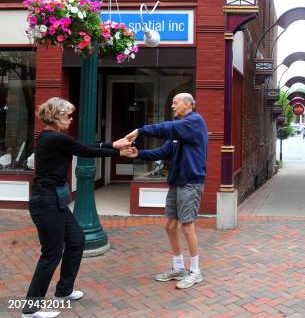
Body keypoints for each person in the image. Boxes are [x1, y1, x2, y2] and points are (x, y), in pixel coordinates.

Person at [23, 98, 132, 318]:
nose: (71, 120)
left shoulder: (56, 138)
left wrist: (114, 145)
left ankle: (64, 290)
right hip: (45, 203)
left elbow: (83, 146)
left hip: (56, 202)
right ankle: (30, 309)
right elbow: (84, 150)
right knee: (51, 254)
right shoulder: (52, 138)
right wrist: (117, 151)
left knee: (76, 240)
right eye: (68, 116)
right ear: (55, 116)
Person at [121, 93, 208, 289]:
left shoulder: (194, 121)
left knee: (187, 226)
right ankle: (178, 267)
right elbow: (163, 152)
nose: (172, 106)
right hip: (177, 183)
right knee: (170, 226)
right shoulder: (179, 131)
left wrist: (140, 131)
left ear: (187, 104)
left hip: (190, 182)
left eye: (175, 103)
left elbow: (166, 128)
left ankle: (195, 271)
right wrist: (139, 154)